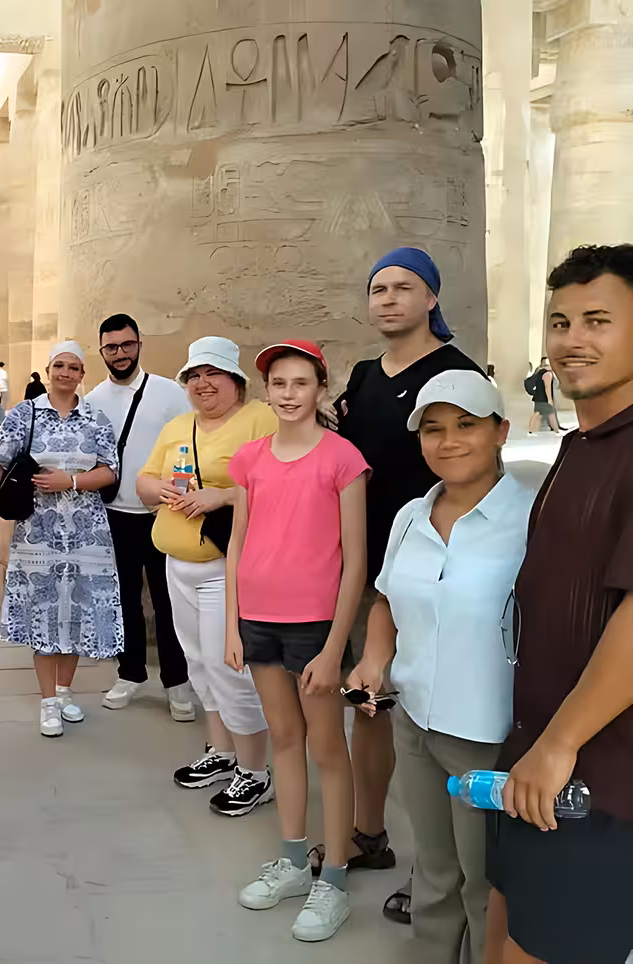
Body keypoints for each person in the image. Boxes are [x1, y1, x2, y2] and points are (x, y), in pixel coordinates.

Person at [347, 371, 530, 964]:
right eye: (433, 429)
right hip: (416, 722)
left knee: (483, 882)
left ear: (500, 431)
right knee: (432, 869)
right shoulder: (410, 517)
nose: (448, 441)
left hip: (486, 735)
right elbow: (386, 601)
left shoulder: (532, 519)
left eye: (466, 425)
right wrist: (374, 661)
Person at [485, 245, 633, 964]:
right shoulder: (581, 445)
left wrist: (560, 743)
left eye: (599, 320)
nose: (573, 340)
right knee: (504, 930)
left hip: (599, 780)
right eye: (561, 321)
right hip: (536, 763)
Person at [330, 247, 483, 918]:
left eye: (404, 287)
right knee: (371, 705)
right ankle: (369, 834)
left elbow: (476, 472)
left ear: (431, 299)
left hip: (429, 573)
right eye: (379, 288)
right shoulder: (363, 376)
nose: (389, 298)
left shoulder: (455, 373)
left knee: (432, 726)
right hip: (364, 570)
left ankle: (438, 874)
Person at [228, 341, 368, 943]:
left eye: (300, 383)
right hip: (258, 618)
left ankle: (332, 877)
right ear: (267, 390)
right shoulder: (250, 459)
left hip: (316, 627)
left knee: (327, 748)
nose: (288, 394)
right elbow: (237, 543)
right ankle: (291, 858)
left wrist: (336, 647)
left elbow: (356, 560)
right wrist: (232, 623)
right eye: (278, 383)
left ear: (320, 389)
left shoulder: (343, 458)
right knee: (284, 738)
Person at [136, 336, 275, 814]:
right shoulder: (178, 425)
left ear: (235, 380)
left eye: (212, 373)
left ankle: (255, 770)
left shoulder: (260, 419)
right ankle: (222, 750)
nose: (202, 383)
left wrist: (222, 496)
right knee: (198, 661)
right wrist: (164, 491)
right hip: (178, 563)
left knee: (228, 665)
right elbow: (144, 481)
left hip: (226, 565)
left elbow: (281, 482)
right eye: (193, 376)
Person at [0, 341, 122, 738]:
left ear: (81, 375)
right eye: (59, 365)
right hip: (38, 533)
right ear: (49, 369)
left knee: (73, 613)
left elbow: (110, 471)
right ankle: (47, 702)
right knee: (43, 614)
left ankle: (64, 692)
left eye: (73, 367)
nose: (65, 373)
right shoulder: (26, 413)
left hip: (87, 532)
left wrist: (71, 480)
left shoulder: (94, 417)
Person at [87, 314, 194, 721]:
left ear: (139, 344)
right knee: (125, 601)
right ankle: (129, 673)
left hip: (163, 514)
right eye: (111, 347)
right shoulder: (94, 400)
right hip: (114, 515)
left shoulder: (168, 393)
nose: (120, 354)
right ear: (102, 351)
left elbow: (189, 444)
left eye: (126, 345)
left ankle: (177, 682)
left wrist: (182, 492)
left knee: (169, 602)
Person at [524, 358, 561, 435]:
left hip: (538, 397)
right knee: (551, 414)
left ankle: (531, 431)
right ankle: (557, 431)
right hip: (544, 399)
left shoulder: (540, 372)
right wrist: (550, 400)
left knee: (537, 414)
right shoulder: (548, 374)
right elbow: (547, 387)